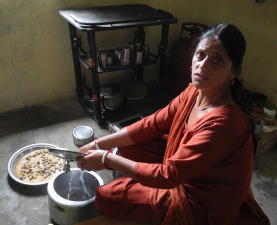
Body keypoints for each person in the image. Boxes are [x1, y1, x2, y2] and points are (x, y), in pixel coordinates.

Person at [77, 23, 270, 225]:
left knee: (108, 197)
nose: (203, 66)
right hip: (187, 171)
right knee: (129, 146)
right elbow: (151, 125)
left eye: (217, 60)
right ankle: (140, 181)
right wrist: (99, 144)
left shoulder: (224, 123)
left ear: (233, 72)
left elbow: (168, 176)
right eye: (200, 55)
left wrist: (107, 160)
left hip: (202, 200)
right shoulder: (195, 92)